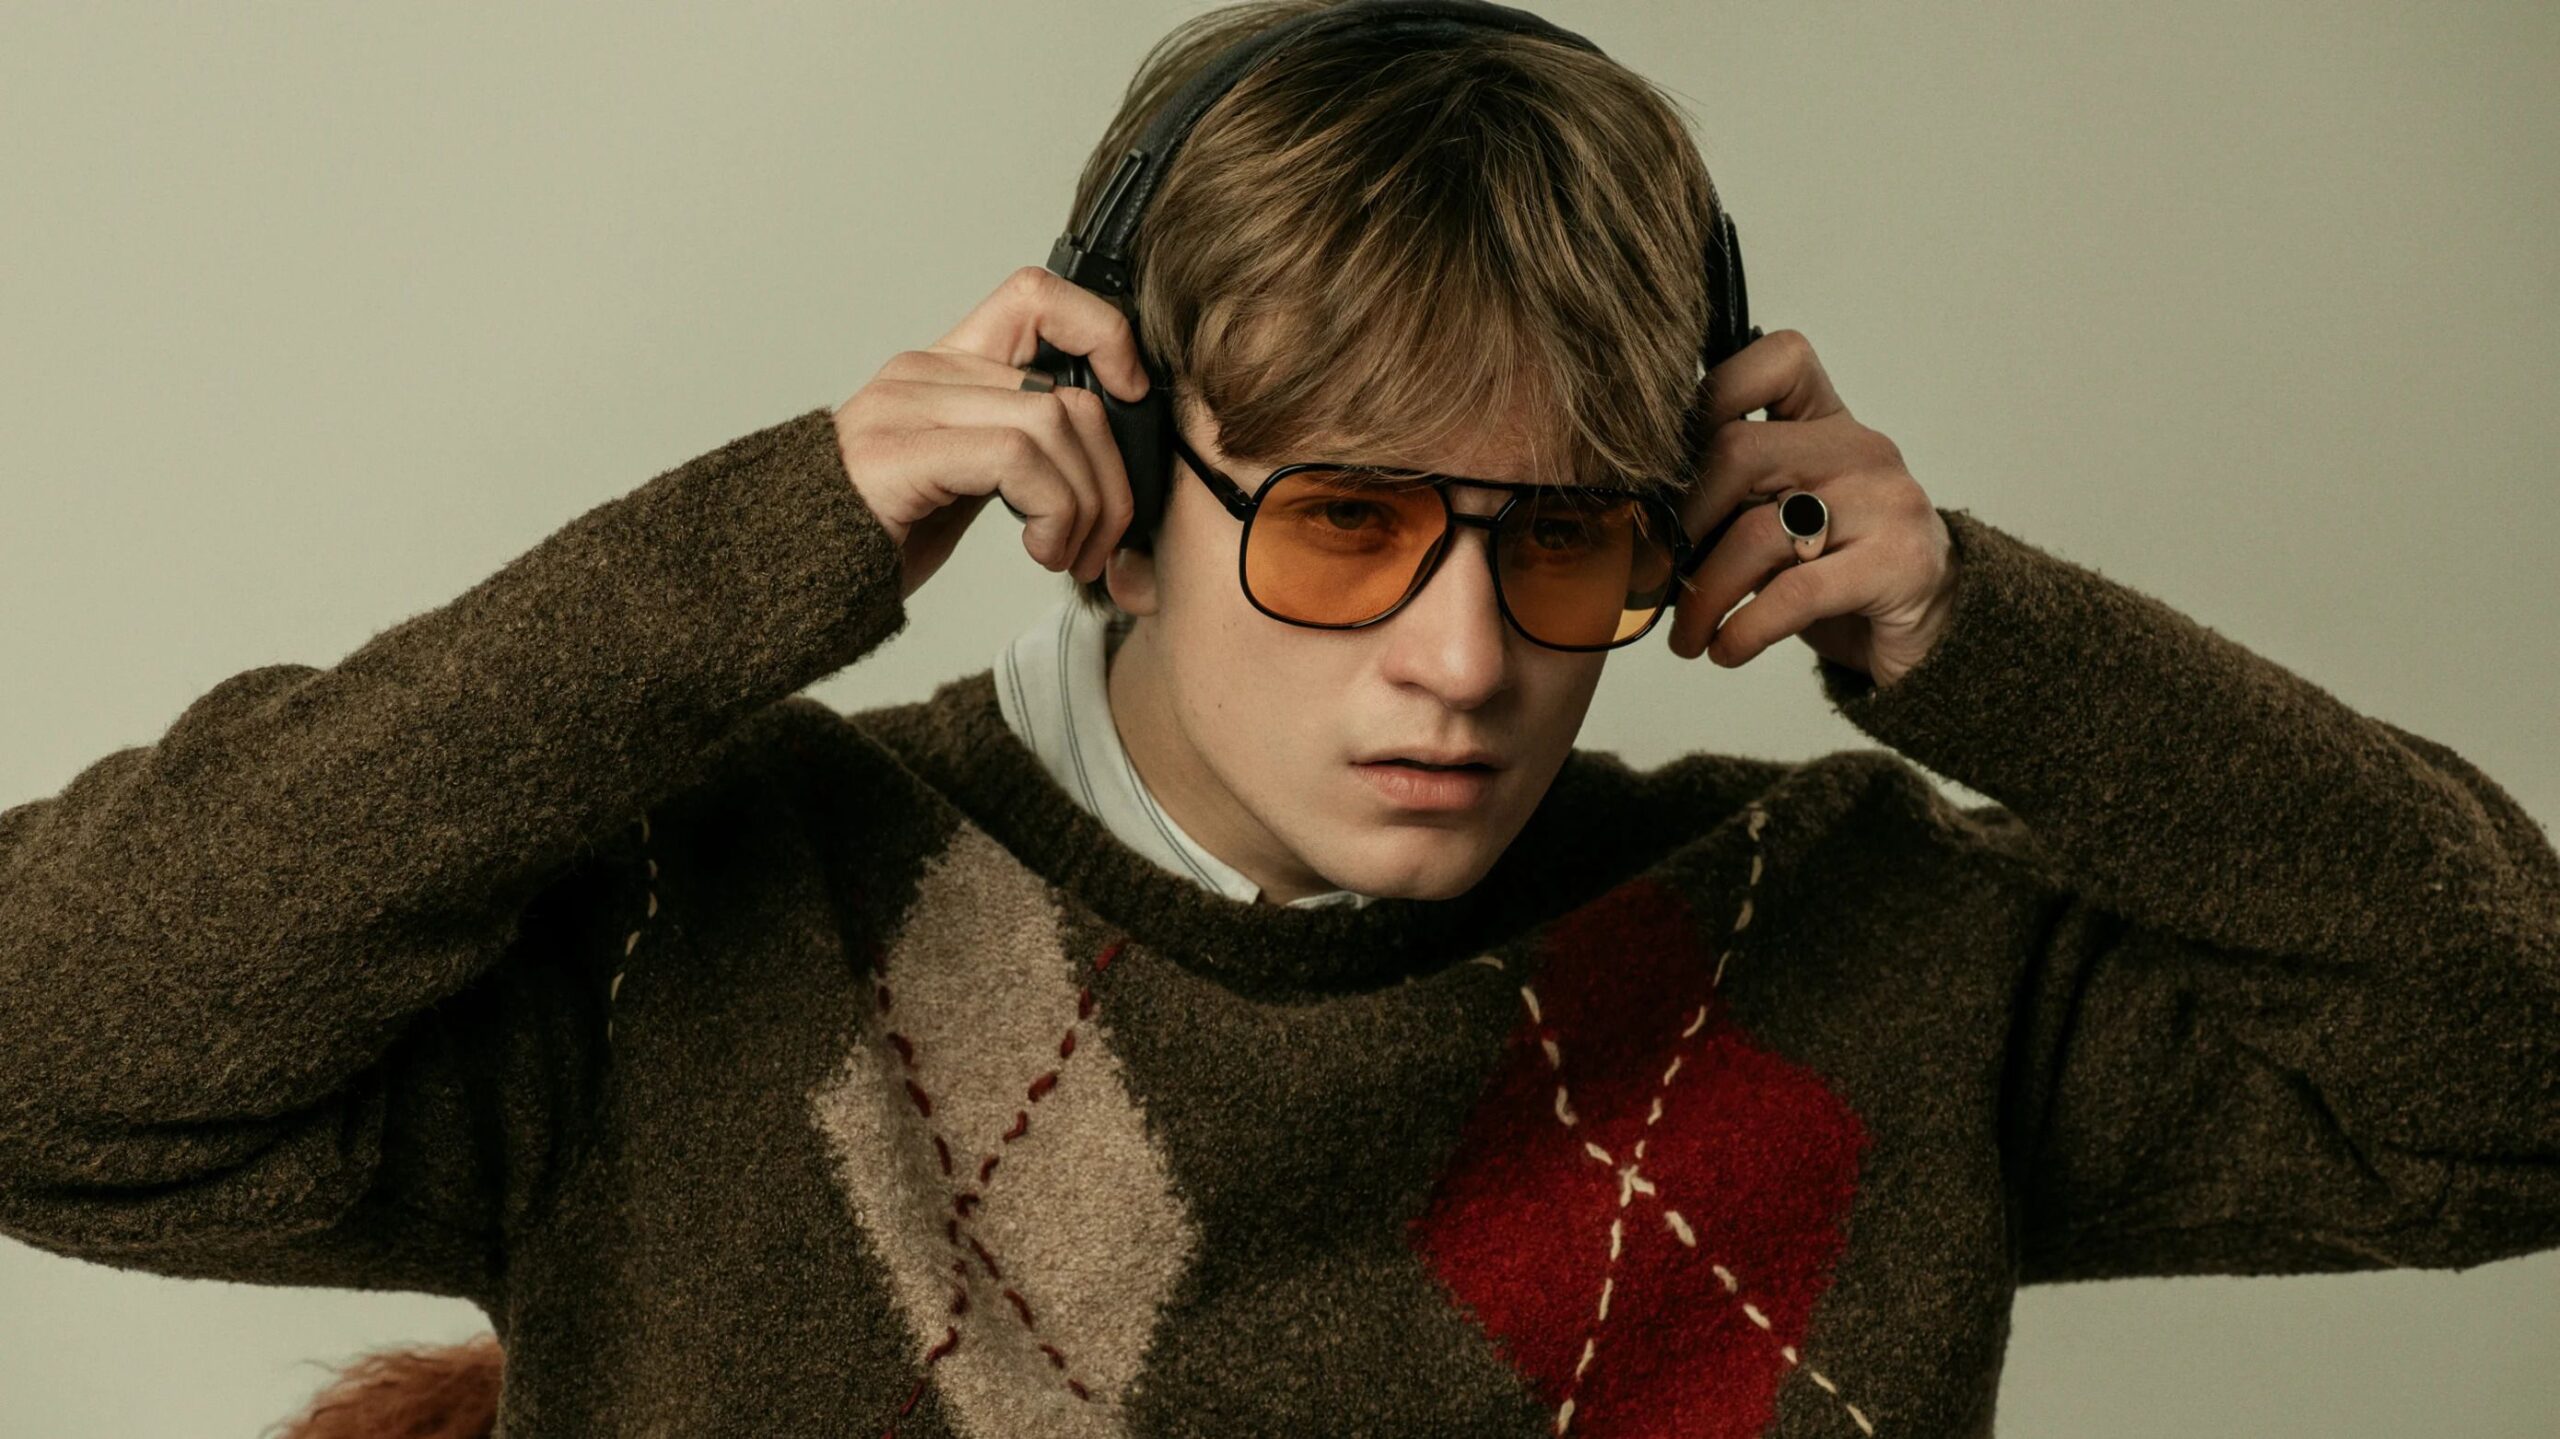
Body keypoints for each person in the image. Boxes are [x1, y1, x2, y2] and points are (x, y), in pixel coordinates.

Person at [4, 3, 2554, 1436]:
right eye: (1341, 521)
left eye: (1562, 539)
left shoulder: (1855, 956)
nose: (1461, 660)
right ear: (1107, 486)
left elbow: (2512, 1086)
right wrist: (764, 542)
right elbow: (56, 1054)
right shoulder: (709, 923)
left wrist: (1996, 643)